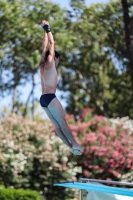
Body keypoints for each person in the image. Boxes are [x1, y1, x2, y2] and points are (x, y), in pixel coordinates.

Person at [39, 20, 84, 155]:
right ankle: (75, 144)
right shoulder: (51, 63)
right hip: (50, 97)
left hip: (43, 100)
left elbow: (44, 46)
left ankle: (71, 148)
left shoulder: (42, 65)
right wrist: (48, 28)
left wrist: (43, 32)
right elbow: (51, 44)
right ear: (55, 58)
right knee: (62, 123)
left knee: (57, 125)